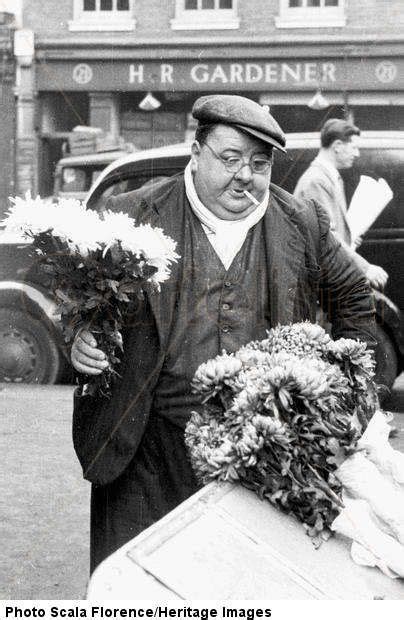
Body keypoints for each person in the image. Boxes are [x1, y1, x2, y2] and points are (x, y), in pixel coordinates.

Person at [70, 95, 376, 572]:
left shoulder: (301, 222)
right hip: (145, 447)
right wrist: (82, 338)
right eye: (229, 159)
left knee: (234, 584)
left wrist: (344, 388)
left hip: (258, 454)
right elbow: (83, 297)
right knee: (134, 587)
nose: (244, 176)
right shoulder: (130, 213)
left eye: (259, 163)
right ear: (196, 154)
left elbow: (355, 298)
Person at [293, 118, 388, 290]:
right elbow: (326, 236)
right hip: (319, 285)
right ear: (337, 146)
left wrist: (348, 237)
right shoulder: (317, 181)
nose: (357, 154)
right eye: (354, 147)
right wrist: (364, 267)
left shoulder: (328, 178)